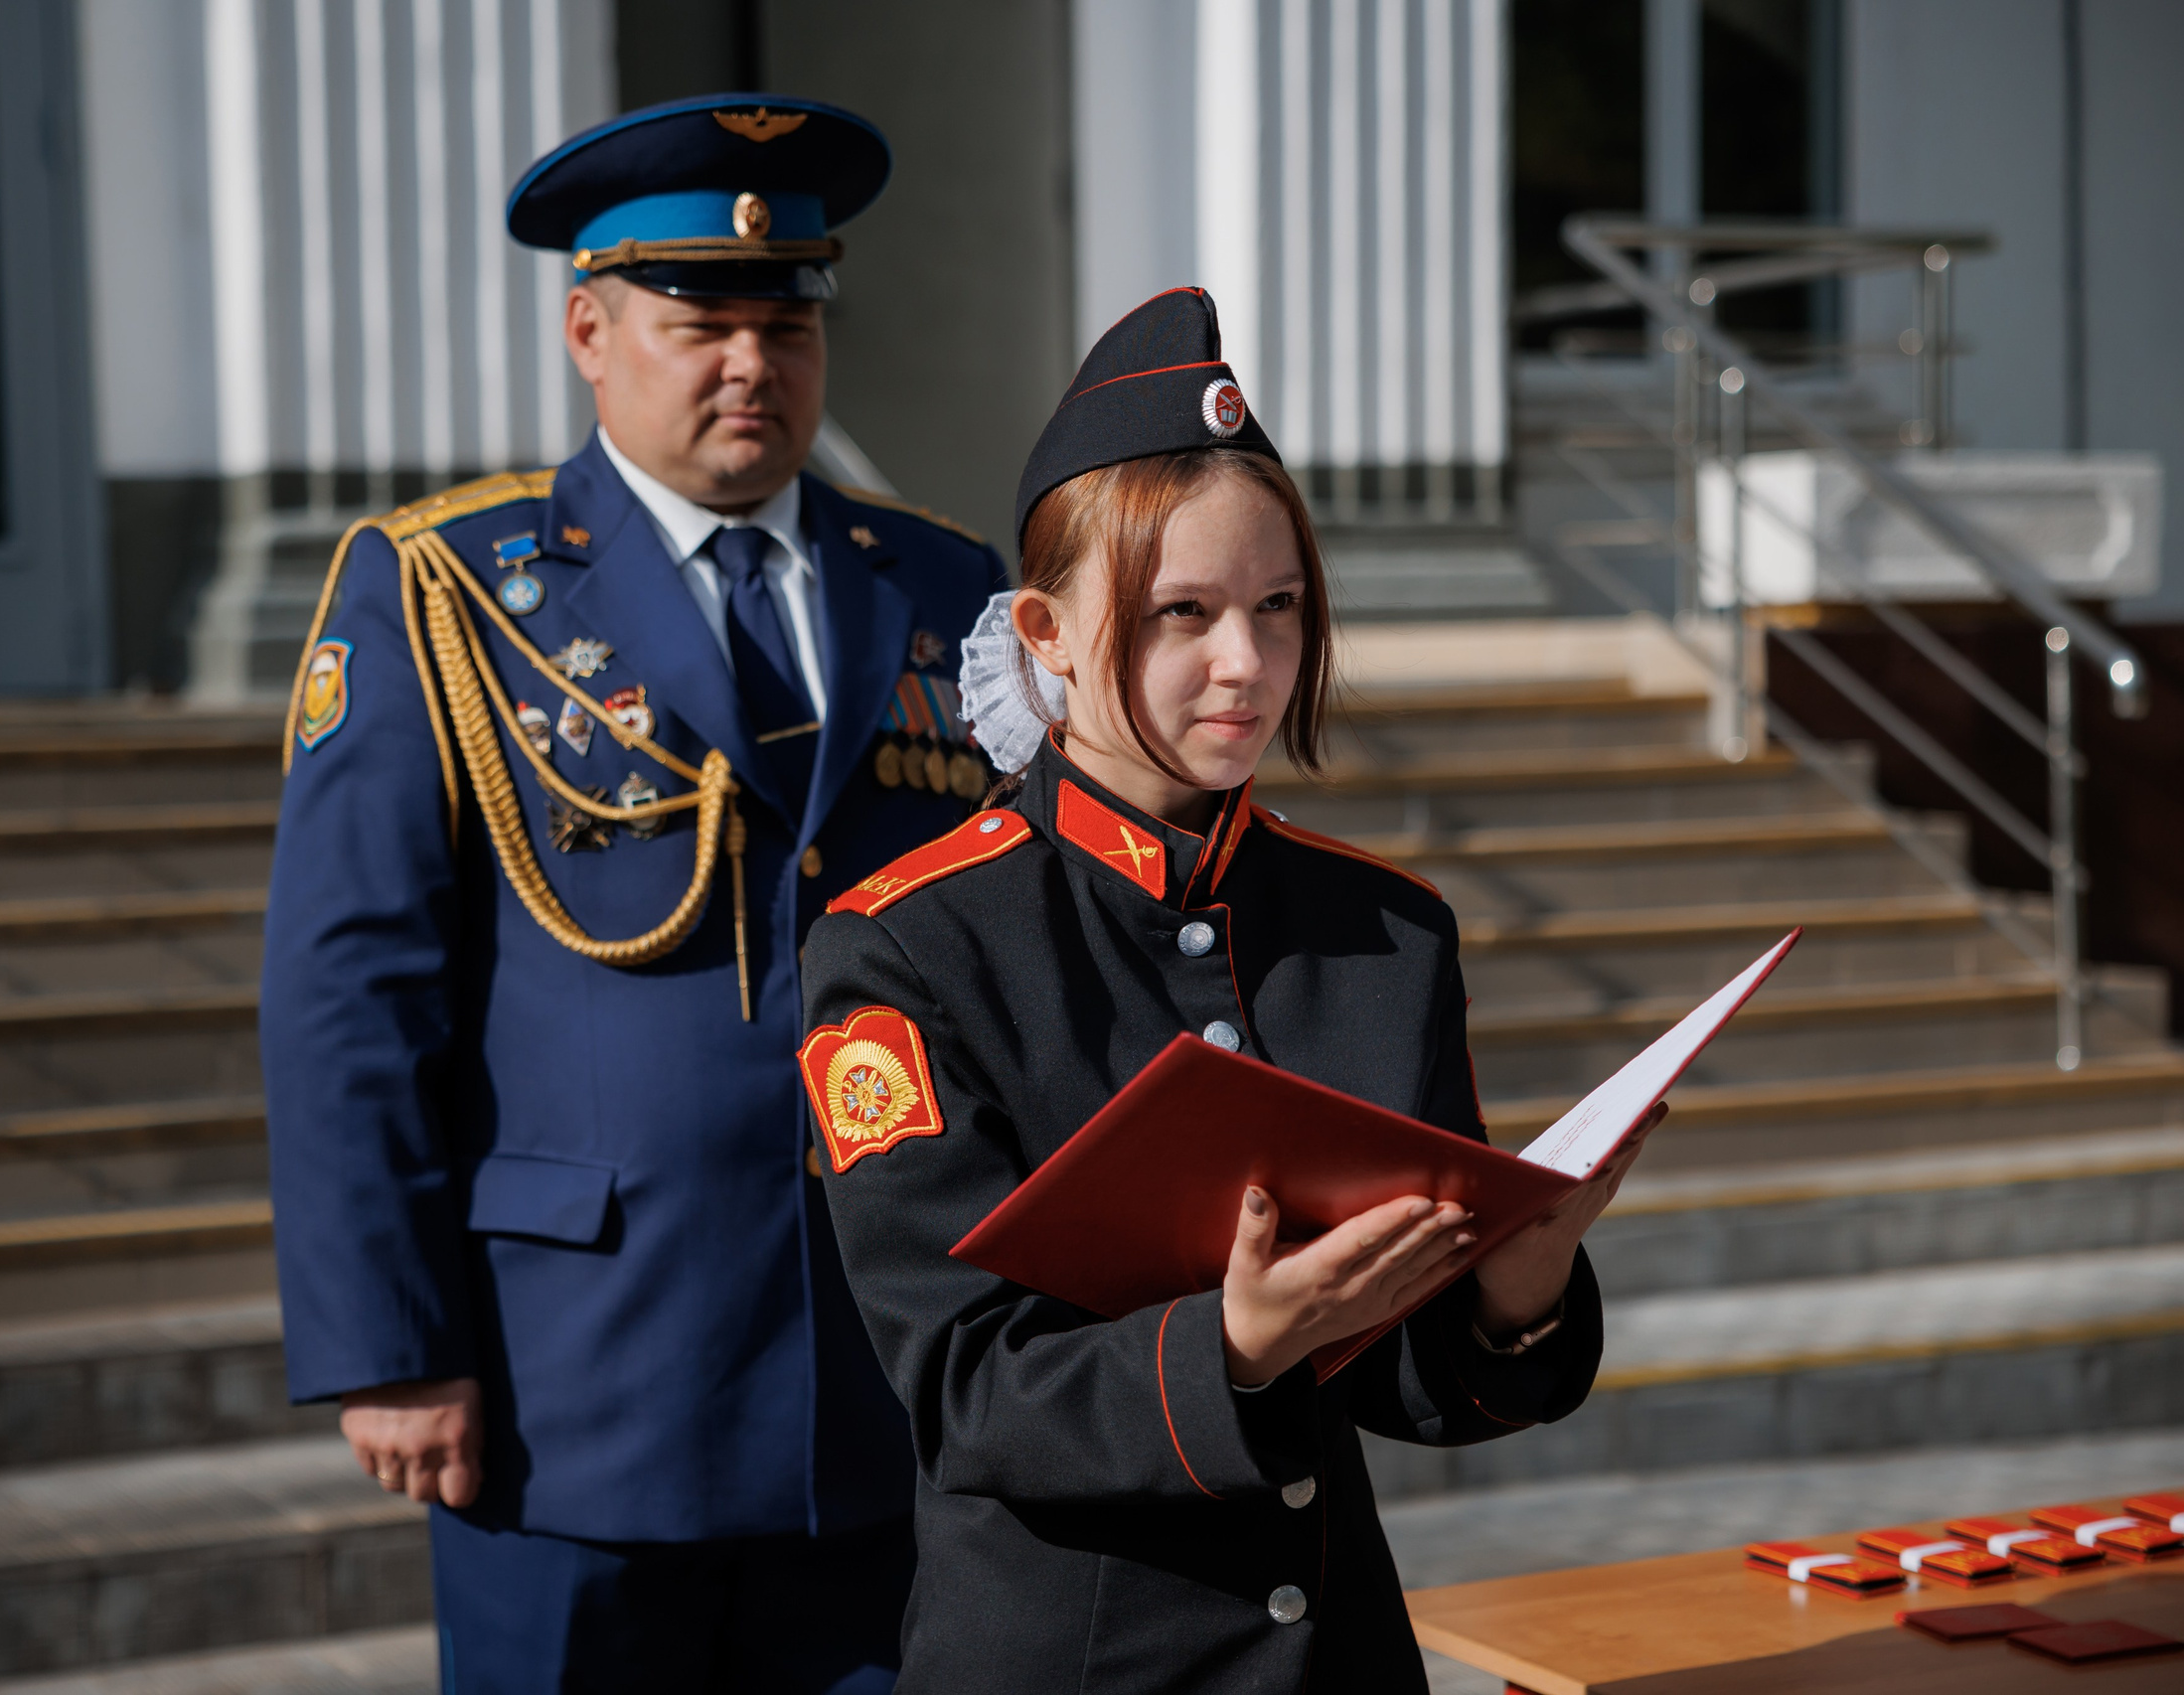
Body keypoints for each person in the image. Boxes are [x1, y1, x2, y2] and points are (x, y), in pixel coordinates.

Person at [796, 287, 1647, 1692]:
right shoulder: (907, 948)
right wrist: (1232, 1349)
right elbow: (966, 1390)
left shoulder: (1384, 930)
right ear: (1047, 633)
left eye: (1279, 607)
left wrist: (1521, 1276)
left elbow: (1411, 1377)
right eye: (1181, 613)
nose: (1246, 666)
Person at [260, 93, 1006, 1695]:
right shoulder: (446, 591)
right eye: (702, 321)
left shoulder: (946, 588)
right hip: (573, 1389)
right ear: (591, 331)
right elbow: (349, 997)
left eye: (788, 318)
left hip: (887, 1372)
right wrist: (394, 1344)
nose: (754, 361)